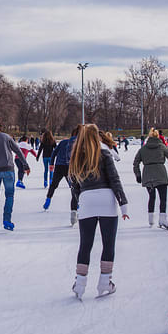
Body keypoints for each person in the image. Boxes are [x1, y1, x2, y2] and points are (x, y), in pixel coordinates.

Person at [69, 124, 129, 299]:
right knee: (108, 243)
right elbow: (114, 180)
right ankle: (104, 282)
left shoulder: (76, 157)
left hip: (87, 201)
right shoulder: (104, 153)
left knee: (85, 244)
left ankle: (80, 283)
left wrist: (81, 198)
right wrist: (123, 203)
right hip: (107, 201)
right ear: (97, 136)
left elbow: (74, 184)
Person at [133, 128, 168, 230]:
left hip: (148, 174)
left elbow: (136, 163)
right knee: (163, 198)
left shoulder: (143, 149)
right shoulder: (161, 146)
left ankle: (150, 219)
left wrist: (138, 175)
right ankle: (162, 218)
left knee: (151, 197)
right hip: (160, 173)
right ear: (158, 137)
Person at [43, 126, 80, 225]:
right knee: (73, 187)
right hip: (69, 167)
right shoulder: (77, 143)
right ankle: (77, 205)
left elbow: (54, 153)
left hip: (59, 166)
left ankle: (48, 199)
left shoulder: (63, 142)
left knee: (54, 184)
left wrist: (51, 163)